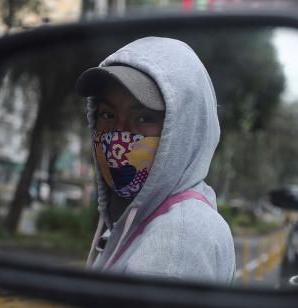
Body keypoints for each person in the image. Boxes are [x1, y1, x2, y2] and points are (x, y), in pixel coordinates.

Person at [76, 37, 235, 284]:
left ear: (183, 129)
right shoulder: (155, 216)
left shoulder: (176, 244)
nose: (118, 134)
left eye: (143, 118)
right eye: (108, 114)